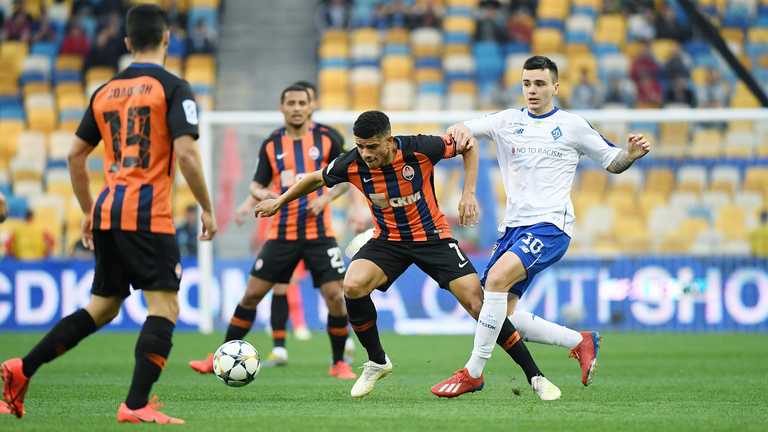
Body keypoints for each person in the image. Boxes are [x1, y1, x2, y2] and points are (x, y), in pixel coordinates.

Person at [0, 5, 217, 424]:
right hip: (147, 213)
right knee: (165, 306)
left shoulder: (104, 91)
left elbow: (74, 155)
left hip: (107, 210)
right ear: (167, 38)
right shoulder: (173, 87)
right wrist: (206, 207)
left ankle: (21, 368)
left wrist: (87, 211)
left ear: (127, 42)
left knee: (103, 307)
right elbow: (188, 154)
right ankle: (135, 404)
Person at [253, 110, 559, 400]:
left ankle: (535, 376)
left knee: (479, 304)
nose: (365, 153)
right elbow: (315, 178)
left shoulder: (420, 148)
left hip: (433, 238)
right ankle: (377, 361)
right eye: (360, 146)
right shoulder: (352, 163)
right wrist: (279, 202)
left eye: (372, 146)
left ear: (389, 140)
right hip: (388, 241)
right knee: (353, 285)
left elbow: (469, 145)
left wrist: (468, 194)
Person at [440, 55, 651, 393]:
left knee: (495, 279)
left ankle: (473, 372)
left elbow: (612, 161)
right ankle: (579, 341)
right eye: (527, 84)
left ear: (555, 86)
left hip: (550, 226)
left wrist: (630, 154)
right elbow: (461, 129)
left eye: (539, 84)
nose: (532, 90)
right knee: (496, 314)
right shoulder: (506, 121)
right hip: (513, 229)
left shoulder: (572, 125)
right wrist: (458, 132)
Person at [189, 85, 356, 380]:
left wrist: (327, 198)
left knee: (335, 296)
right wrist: (264, 193)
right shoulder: (271, 144)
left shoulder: (328, 138)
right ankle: (218, 356)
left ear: (311, 106)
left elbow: (348, 177)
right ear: (282, 108)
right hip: (281, 235)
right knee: (252, 295)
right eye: (291, 103)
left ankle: (339, 362)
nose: (296, 108)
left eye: (302, 102)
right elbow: (255, 184)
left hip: (320, 234)